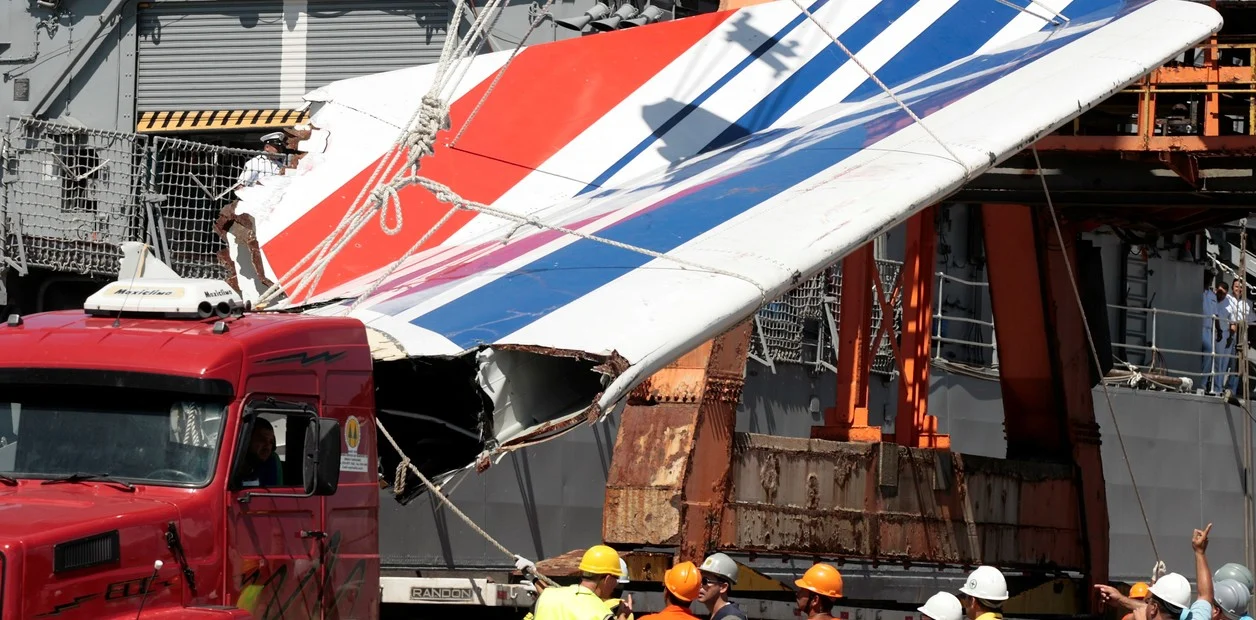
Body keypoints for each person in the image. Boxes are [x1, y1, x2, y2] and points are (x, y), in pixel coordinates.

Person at [530, 545, 633, 620]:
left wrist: (532, 577)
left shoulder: (547, 596)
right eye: (616, 579)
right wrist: (622, 617)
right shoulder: (601, 613)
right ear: (608, 579)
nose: (616, 584)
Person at [698, 552, 747, 620]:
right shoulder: (718, 615)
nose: (699, 585)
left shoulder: (731, 618)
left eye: (705, 581)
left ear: (723, 587)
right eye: (699, 579)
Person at [1203, 274, 1228, 394]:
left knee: (1210, 356)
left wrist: (1219, 330)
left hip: (1209, 329)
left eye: (1211, 278)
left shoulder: (1212, 296)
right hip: (1198, 326)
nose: (1209, 280)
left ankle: (1204, 385)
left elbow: (1215, 315)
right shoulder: (1200, 292)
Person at [238, 418, 281, 487]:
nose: (267, 446)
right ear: (247, 440)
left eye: (271, 442)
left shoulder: (272, 461)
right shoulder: (229, 464)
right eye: (262, 440)